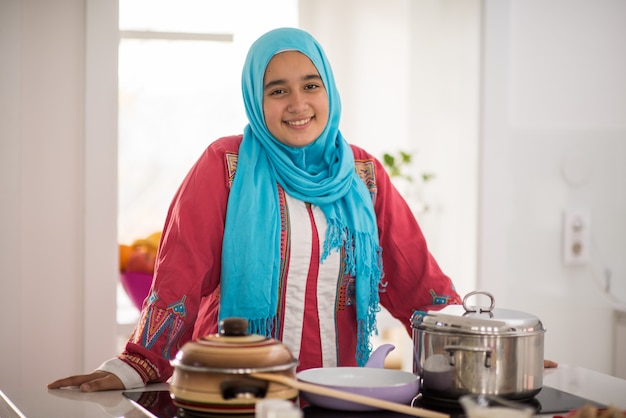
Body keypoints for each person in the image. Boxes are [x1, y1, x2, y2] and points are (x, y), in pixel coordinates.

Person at [48, 27, 464, 393]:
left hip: (339, 395)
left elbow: (417, 282)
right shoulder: (225, 165)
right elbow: (181, 275)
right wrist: (136, 363)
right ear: (255, 98)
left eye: (311, 86)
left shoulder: (364, 175)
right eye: (278, 90)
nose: (298, 103)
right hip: (233, 392)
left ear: (329, 91)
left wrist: (477, 351)